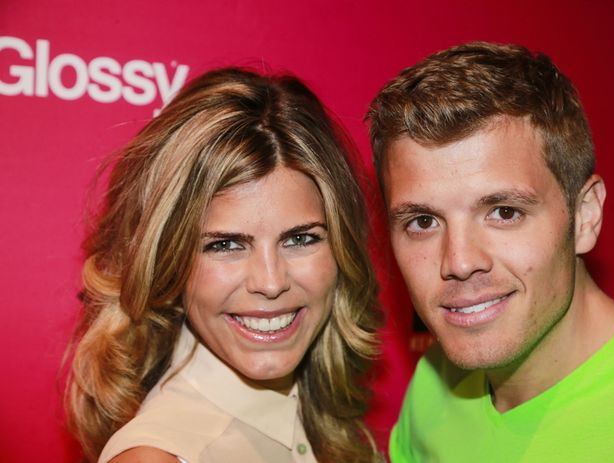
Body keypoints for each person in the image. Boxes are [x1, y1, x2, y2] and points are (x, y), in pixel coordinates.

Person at [367, 42, 614, 462]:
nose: (460, 262)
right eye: (423, 222)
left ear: (585, 216)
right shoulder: (434, 383)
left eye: (504, 212)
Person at [65, 67, 382, 463]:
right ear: (168, 261)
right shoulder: (158, 457)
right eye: (226, 244)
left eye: (300, 239)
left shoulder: (310, 418)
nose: (270, 282)